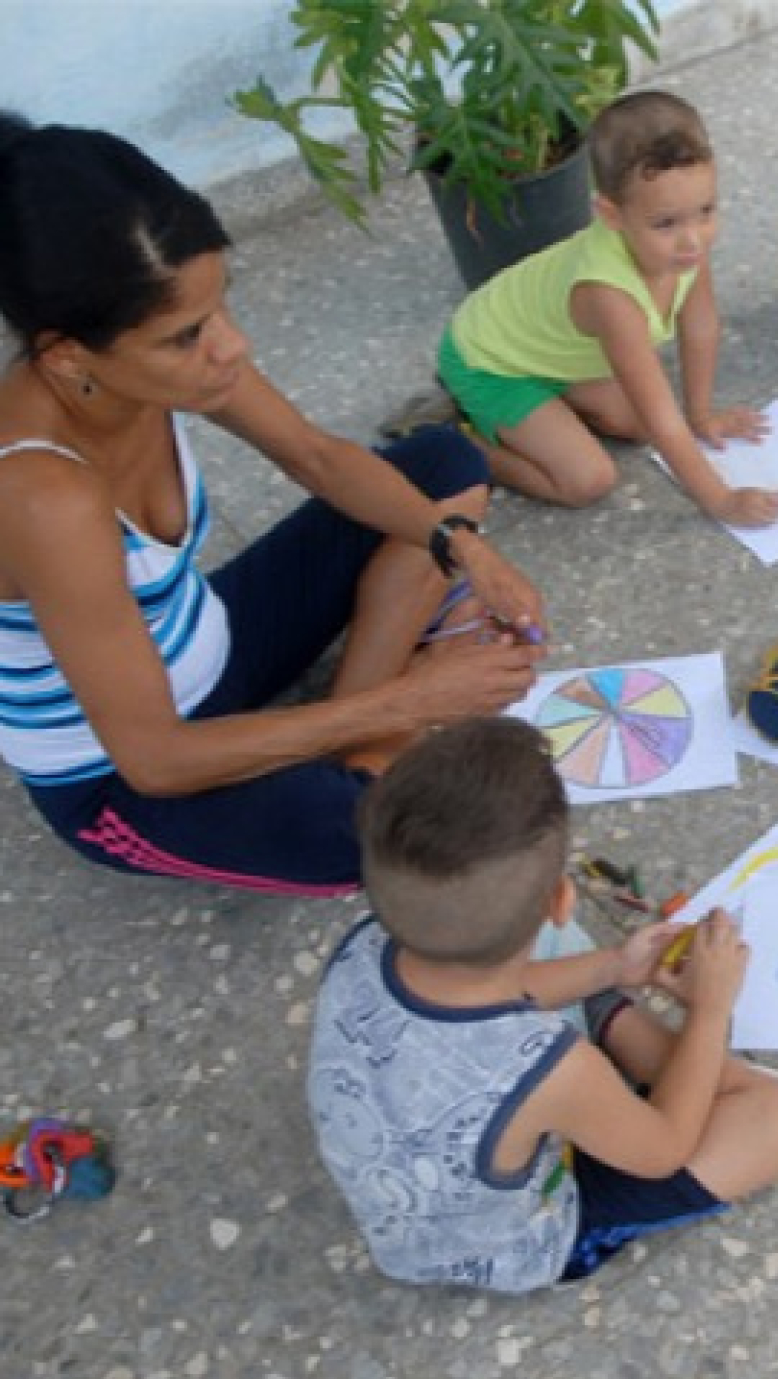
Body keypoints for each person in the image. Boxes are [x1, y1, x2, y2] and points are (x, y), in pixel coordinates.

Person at [0, 113, 546, 896]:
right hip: (122, 775)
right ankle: (368, 737)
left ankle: (355, 740)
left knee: (443, 468)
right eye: (187, 335)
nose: (231, 346)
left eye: (223, 306)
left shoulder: (162, 359)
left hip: (209, 645)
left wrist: (461, 545)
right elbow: (154, 759)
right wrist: (413, 699)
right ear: (65, 355)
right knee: (382, 843)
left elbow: (318, 457)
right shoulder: (40, 495)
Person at [308, 718, 778, 1291]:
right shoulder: (551, 1067)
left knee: (526, 945)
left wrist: (613, 967)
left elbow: (468, 1004)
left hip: (411, 1201)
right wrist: (710, 1009)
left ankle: (618, 1024)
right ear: (561, 897)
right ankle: (627, 1048)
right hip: (514, 1243)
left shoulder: (364, 943)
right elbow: (662, 1152)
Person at [438, 91, 778, 527]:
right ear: (611, 214)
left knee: (636, 426)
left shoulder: (682, 248)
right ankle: (461, 441)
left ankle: (551, 407)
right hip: (488, 361)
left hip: (551, 350)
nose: (693, 239)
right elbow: (662, 421)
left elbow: (700, 326)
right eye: (666, 223)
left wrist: (700, 415)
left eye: (706, 211)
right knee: (588, 481)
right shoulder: (609, 295)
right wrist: (720, 500)